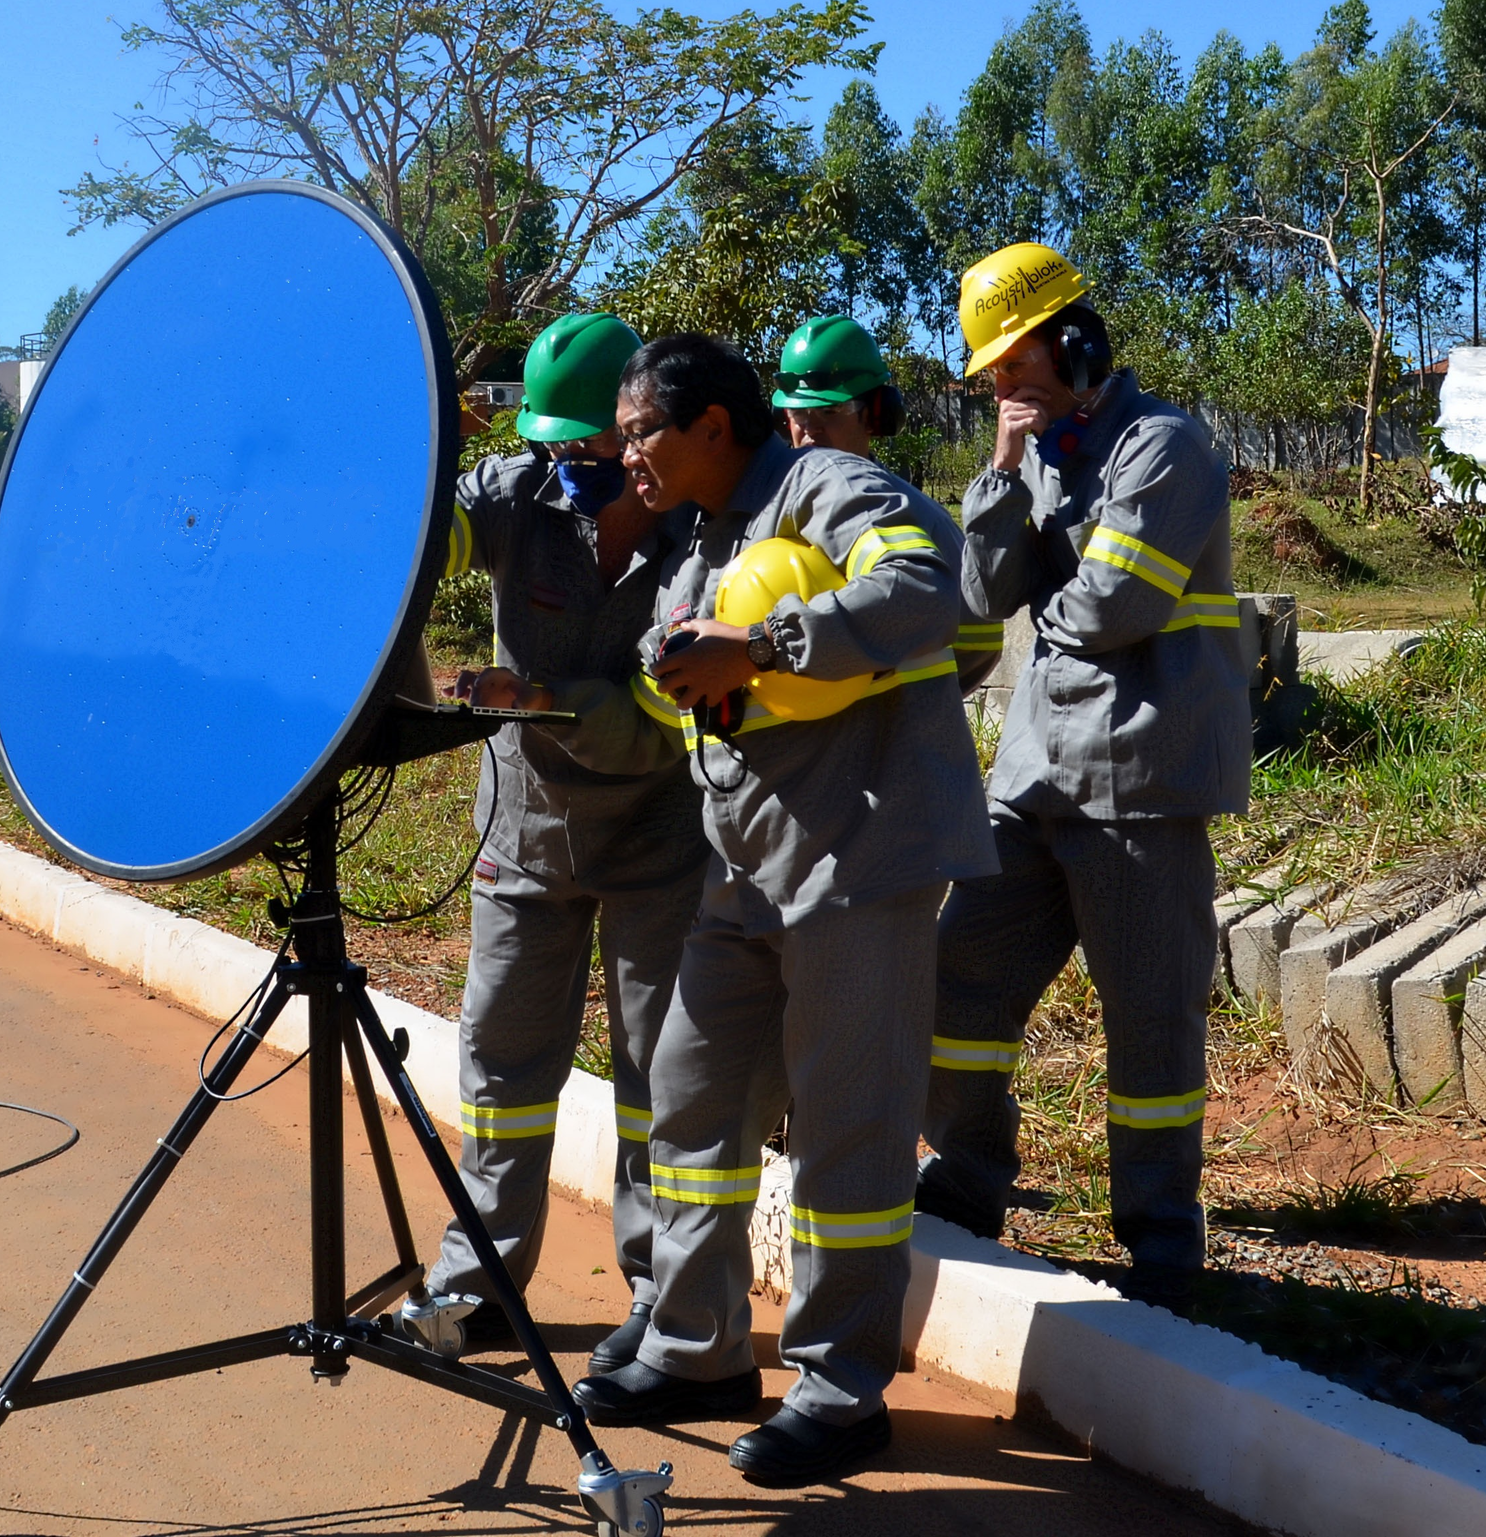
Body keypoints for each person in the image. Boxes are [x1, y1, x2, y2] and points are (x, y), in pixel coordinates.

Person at [552, 334, 996, 1487]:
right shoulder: (696, 538)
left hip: (859, 860)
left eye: (640, 431)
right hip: (741, 866)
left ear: (711, 428)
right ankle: (696, 1348)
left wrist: (763, 643)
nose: (623, 453)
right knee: (690, 1099)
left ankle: (842, 1389)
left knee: (851, 1129)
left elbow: (925, 579)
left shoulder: (826, 485)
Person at [916, 243, 1252, 1309]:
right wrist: (1002, 478)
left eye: (1016, 363)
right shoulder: (1040, 456)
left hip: (1144, 782)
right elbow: (982, 594)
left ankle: (1160, 1238)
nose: (1005, 386)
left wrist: (1042, 612)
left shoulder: (1168, 449)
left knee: (1149, 1024)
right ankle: (968, 1177)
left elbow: (1111, 610)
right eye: (993, 375)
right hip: (1035, 777)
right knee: (954, 986)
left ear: (1077, 339)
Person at [405, 313, 709, 1374]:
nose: (566, 465)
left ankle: (659, 1298)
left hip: (658, 832)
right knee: (502, 1062)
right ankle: (474, 1283)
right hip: (526, 831)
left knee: (657, 1078)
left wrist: (536, 693)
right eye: (551, 446)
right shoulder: (514, 494)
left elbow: (663, 714)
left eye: (587, 447)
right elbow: (418, 540)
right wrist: (413, 461)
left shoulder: (700, 535)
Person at [773, 314, 1002, 687]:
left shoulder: (923, 518)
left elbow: (981, 639)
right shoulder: (762, 511)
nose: (810, 430)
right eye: (799, 414)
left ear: (875, 415)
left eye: (830, 412)